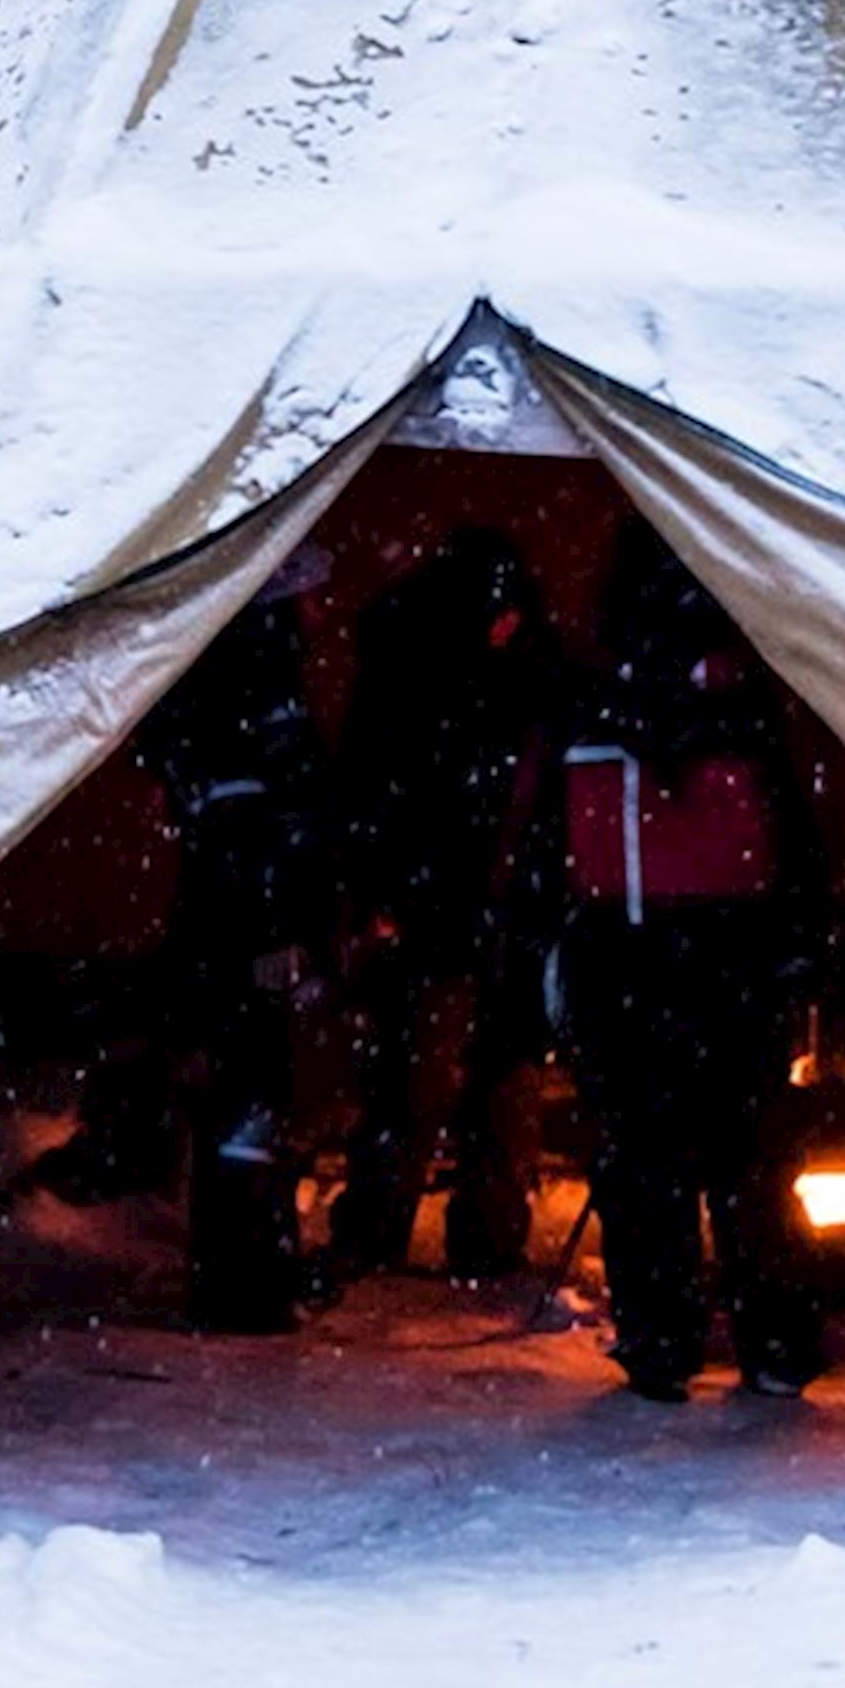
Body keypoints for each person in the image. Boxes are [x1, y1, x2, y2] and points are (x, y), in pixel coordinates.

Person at [549, 522, 828, 1402]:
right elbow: (796, 839)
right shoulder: (749, 699)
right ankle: (767, 1342)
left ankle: (665, 1340)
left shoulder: (584, 699)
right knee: (742, 1162)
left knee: (648, 1164)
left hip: (632, 953)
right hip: (723, 956)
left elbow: (538, 844)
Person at [327, 523, 570, 1275]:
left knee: (441, 1080)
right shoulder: (485, 681)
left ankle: (414, 1231)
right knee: (444, 1079)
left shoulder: (419, 673)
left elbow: (370, 792)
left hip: (463, 909)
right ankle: (439, 1235)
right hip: (460, 909)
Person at [132, 560, 339, 1333]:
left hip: (219, 919)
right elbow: (281, 816)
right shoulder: (262, 686)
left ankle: (240, 1268)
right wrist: (285, 926)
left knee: (235, 1094)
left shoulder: (208, 684)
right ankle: (245, 1277)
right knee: (251, 1096)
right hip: (247, 922)